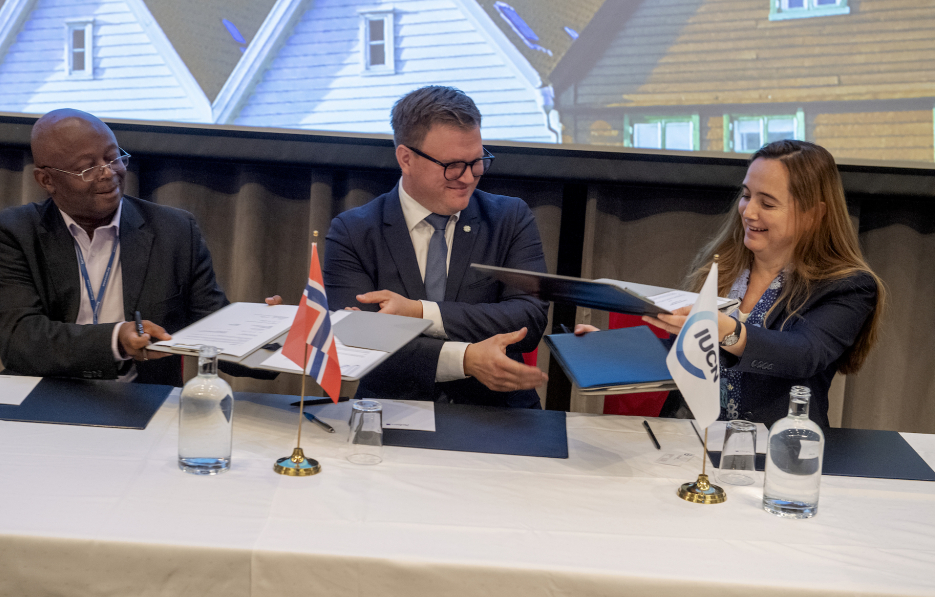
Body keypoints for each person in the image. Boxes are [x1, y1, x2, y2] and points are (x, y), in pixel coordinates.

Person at [580, 140, 885, 427]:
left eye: (767, 203)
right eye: (747, 195)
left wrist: (729, 331)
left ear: (814, 214)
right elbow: (685, 357)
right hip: (690, 443)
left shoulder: (848, 286)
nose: (748, 211)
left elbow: (803, 354)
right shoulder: (721, 267)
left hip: (777, 454)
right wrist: (615, 352)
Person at [0, 108, 280, 385]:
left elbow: (215, 334)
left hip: (143, 398)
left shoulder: (174, 231)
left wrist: (271, 337)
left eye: (114, 157)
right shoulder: (13, 232)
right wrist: (115, 339)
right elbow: (18, 340)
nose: (109, 173)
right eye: (87, 168)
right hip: (46, 392)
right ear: (46, 179)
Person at [324, 86, 549, 408]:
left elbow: (528, 319)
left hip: (500, 413)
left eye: (478, 161)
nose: (469, 177)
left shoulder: (509, 218)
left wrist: (419, 311)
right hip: (391, 409)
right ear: (406, 159)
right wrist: (466, 359)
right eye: (453, 165)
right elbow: (360, 338)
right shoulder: (354, 231)